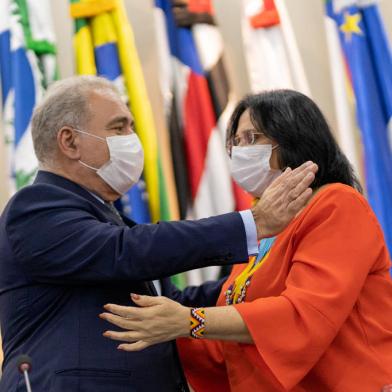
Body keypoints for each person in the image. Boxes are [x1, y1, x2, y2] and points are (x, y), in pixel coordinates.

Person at [0, 77, 317, 392]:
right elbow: (126, 251)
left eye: (132, 127)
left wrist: (270, 274)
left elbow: (171, 303)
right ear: (69, 142)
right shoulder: (35, 208)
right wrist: (251, 223)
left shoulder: (108, 216)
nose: (132, 138)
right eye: (118, 127)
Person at [101, 90, 392, 391]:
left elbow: (303, 314)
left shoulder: (337, 204)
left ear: (294, 140)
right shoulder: (264, 227)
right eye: (236, 142)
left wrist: (190, 321)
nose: (240, 150)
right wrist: (159, 329)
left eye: (252, 138)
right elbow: (235, 337)